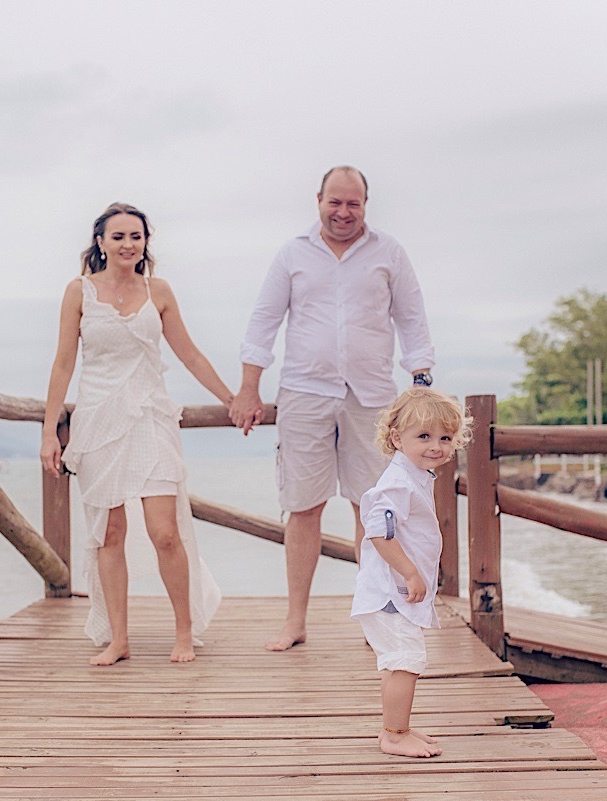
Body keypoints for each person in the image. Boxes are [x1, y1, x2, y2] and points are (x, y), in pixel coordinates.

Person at [229, 165, 435, 651]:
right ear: (318, 199)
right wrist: (248, 388)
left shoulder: (390, 253)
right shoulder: (292, 254)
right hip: (305, 393)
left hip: (373, 397)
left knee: (374, 507)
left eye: (354, 204)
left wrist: (421, 381)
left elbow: (412, 318)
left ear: (366, 204)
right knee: (303, 507)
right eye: (335, 203)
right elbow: (263, 321)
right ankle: (295, 620)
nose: (343, 213)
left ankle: (377, 617)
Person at [41, 202, 232, 666]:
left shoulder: (159, 291)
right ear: (100, 242)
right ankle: (119, 638)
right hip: (98, 422)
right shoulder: (78, 292)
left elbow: (190, 354)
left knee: (165, 532)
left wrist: (233, 399)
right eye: (119, 236)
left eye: (136, 236)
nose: (128, 244)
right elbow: (64, 362)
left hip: (150, 416)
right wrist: (50, 432)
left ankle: (184, 632)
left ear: (146, 242)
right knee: (109, 533)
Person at [352, 386, 472, 757]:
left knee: (398, 662)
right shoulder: (398, 483)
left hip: (391, 592)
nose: (436, 446)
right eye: (424, 436)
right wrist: (411, 573)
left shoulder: (416, 474)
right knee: (406, 661)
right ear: (396, 438)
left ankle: (398, 726)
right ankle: (393, 735)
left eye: (445, 438)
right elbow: (377, 532)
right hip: (390, 593)